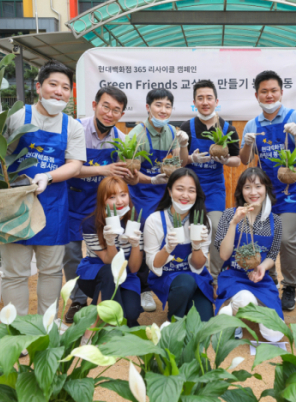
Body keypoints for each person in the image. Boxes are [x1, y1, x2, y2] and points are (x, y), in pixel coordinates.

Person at [0, 60, 85, 319]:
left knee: (52, 270)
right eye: (53, 84)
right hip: (12, 205)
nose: (59, 91)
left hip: (52, 206)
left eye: (65, 87)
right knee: (14, 273)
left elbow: (75, 165)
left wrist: (48, 176)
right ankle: (18, 329)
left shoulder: (73, 126)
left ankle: (46, 326)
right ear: (38, 86)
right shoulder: (17, 117)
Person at [239, 70, 296, 311]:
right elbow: (245, 159)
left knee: (286, 238)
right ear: (256, 95)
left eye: (274, 90)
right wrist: (249, 143)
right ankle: (269, 280)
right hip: (264, 193)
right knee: (265, 236)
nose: (269, 95)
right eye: (264, 91)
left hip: (293, 191)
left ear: (281, 92)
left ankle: (291, 285)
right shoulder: (252, 124)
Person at [63, 86, 131, 323]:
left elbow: (121, 177)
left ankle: (100, 295)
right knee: (71, 254)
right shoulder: (75, 129)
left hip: (102, 208)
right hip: (72, 201)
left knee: (99, 253)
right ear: (94, 105)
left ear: (121, 114)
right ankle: (78, 300)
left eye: (116, 110)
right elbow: (66, 166)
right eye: (106, 106)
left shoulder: (121, 141)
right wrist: (102, 169)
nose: (109, 113)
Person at [125, 89, 190, 313]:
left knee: (174, 230)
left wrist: (182, 145)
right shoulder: (136, 134)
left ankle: (170, 277)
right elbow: (129, 173)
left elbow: (179, 164)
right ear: (148, 108)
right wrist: (152, 179)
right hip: (142, 192)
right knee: (145, 231)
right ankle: (143, 287)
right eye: (158, 105)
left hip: (165, 192)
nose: (163, 110)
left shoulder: (173, 131)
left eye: (167, 106)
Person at [180, 80, 241, 281]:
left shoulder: (228, 128)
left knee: (216, 228)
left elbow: (237, 159)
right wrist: (191, 158)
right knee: (190, 230)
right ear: (194, 102)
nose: (205, 102)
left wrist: (225, 159)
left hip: (214, 189)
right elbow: (180, 162)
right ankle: (191, 272)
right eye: (200, 98)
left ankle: (215, 276)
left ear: (216, 101)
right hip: (190, 189)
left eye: (209, 98)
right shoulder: (185, 127)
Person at [215, 168, 284, 341]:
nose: (253, 192)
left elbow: (272, 255)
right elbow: (224, 255)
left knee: (275, 334)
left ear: (266, 189)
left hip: (259, 279)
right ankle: (232, 313)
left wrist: (262, 267)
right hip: (233, 275)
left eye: (258, 186)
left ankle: (236, 312)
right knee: (246, 300)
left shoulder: (275, 221)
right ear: (241, 191)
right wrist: (234, 223)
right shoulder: (229, 215)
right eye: (247, 187)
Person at [143, 168, 213, 322]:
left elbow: (199, 265)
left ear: (197, 194)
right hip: (168, 279)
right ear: (169, 191)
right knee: (184, 284)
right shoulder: (154, 221)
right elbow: (153, 264)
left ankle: (185, 303)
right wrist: (167, 248)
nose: (185, 195)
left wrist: (196, 245)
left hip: (196, 278)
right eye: (179, 189)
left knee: (203, 323)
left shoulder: (203, 222)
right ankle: (173, 322)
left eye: (191, 191)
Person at [77, 176, 143, 328]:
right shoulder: (90, 224)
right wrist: (110, 241)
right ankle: (94, 326)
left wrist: (135, 245)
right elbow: (109, 261)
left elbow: (133, 268)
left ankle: (99, 314)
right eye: (112, 197)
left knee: (131, 314)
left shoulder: (136, 222)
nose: (120, 201)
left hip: (126, 276)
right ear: (103, 200)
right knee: (109, 272)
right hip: (96, 276)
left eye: (123, 195)